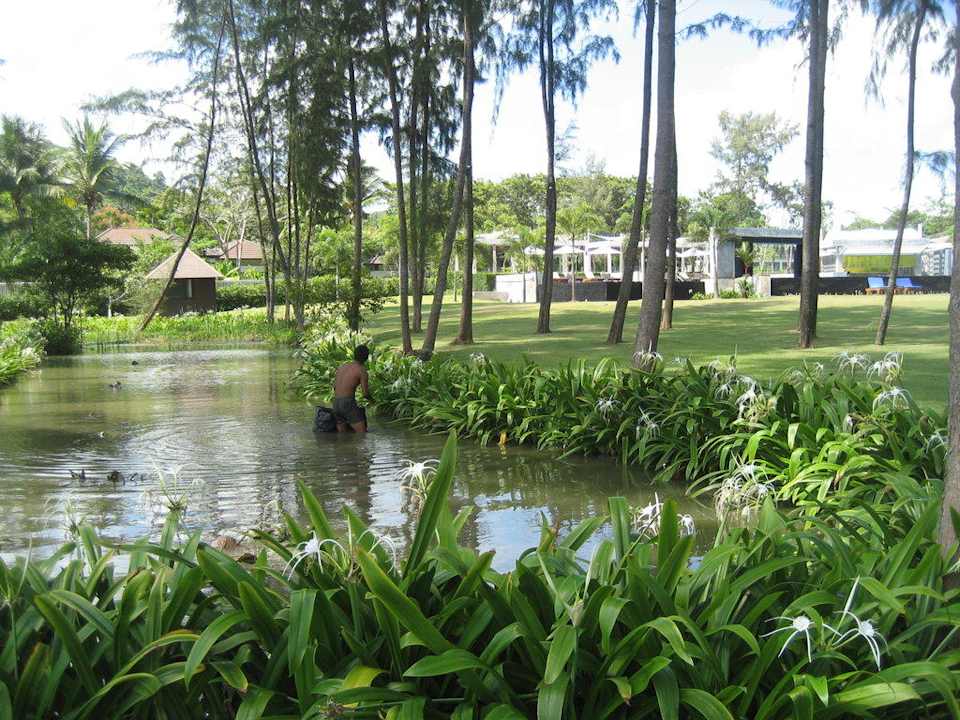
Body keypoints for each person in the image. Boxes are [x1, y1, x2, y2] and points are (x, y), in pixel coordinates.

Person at [332, 344, 371, 433]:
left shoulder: (342, 367)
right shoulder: (361, 370)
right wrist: (373, 401)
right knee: (362, 435)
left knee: (342, 435)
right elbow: (365, 394)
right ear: (366, 357)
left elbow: (334, 387)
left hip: (336, 403)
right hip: (347, 403)